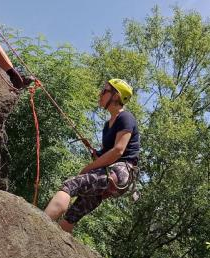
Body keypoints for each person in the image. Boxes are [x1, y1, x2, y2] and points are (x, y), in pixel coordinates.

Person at [44, 78, 139, 233]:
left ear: (116, 96)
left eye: (104, 91)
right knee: (74, 213)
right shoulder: (107, 125)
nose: (100, 94)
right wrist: (97, 154)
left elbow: (118, 151)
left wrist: (87, 168)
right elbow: (107, 154)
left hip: (120, 172)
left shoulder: (125, 117)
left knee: (71, 185)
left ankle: (37, 226)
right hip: (111, 174)